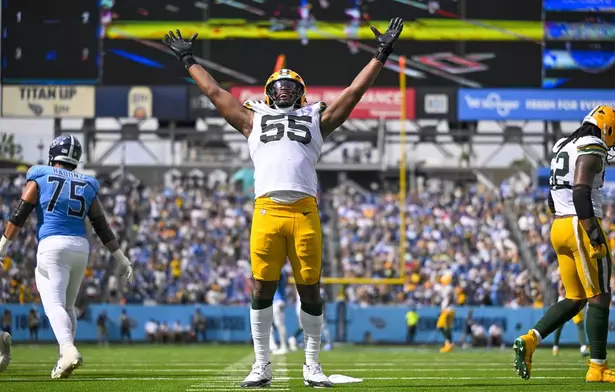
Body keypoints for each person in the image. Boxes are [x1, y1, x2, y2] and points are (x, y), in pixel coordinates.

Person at [162, 16, 403, 388]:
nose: (286, 89)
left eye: (292, 85)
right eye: (280, 85)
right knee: (261, 287)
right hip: (267, 209)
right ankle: (262, 365)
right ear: (269, 91)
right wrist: (189, 60)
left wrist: (381, 54)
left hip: (304, 210)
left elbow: (353, 93)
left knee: (310, 288)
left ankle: (312, 366)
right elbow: (215, 94)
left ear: (301, 92)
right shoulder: (252, 119)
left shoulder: (315, 118)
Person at [512, 105, 615, 383]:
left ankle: (530, 340)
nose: (611, 144)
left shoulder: (565, 145)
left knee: (575, 298)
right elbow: (580, 190)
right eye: (613, 137)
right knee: (600, 294)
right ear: (607, 127)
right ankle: (598, 368)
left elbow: (552, 197)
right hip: (580, 222)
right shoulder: (591, 145)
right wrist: (591, 231)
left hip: (559, 225)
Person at [0, 135, 134, 379]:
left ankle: (68, 349)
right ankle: (64, 358)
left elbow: (20, 212)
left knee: (54, 305)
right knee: (68, 306)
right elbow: (101, 225)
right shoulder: (88, 183)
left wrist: (3, 245)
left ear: (53, 155)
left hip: (52, 243)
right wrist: (120, 257)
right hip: (80, 247)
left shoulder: (40, 173)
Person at [552, 281, 589, 357]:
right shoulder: (566, 274)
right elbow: (560, 288)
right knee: (559, 325)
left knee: (580, 323)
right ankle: (555, 346)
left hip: (575, 300)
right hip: (565, 300)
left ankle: (583, 347)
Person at [271, 270, 289, 355]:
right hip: (279, 300)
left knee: (279, 325)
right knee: (277, 324)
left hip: (277, 300)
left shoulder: (280, 272)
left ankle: (284, 346)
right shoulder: (283, 272)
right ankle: (276, 345)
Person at [436, 280, 456, 353]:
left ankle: (448, 344)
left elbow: (446, 298)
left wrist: (444, 309)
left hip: (447, 310)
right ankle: (450, 343)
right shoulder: (451, 289)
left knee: (440, 326)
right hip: (452, 309)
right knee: (448, 327)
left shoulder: (447, 289)